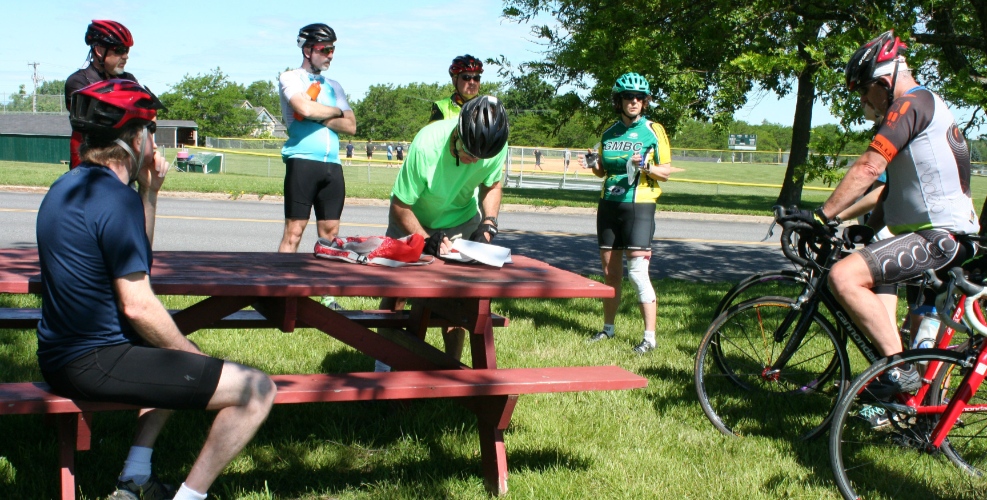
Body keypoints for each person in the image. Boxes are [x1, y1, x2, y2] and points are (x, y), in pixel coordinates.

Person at [39, 79, 276, 500]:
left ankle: (136, 476)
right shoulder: (114, 199)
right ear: (136, 138)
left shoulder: (68, 187)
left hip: (60, 354)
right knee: (257, 389)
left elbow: (134, 260)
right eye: (151, 131)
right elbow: (138, 307)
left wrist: (149, 193)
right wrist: (193, 356)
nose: (153, 140)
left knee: (166, 351)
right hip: (93, 360)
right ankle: (190, 497)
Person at [785, 31, 979, 399]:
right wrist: (869, 228)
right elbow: (894, 187)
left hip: (939, 237)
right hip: (938, 234)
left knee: (842, 277)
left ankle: (898, 371)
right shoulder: (922, 105)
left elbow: (869, 169)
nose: (863, 101)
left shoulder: (910, 104)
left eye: (863, 91)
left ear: (883, 81)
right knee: (881, 292)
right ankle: (902, 392)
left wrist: (823, 217)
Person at [375, 96, 510, 372]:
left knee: (458, 298)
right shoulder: (427, 144)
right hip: (412, 217)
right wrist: (425, 239)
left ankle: (450, 370)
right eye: (468, 152)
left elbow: (492, 185)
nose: (473, 161)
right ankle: (383, 364)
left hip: (460, 217)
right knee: (397, 292)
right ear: (457, 132)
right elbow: (400, 206)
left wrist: (489, 223)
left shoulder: (495, 147)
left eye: (480, 157)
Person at [581, 72, 672, 354]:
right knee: (610, 273)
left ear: (645, 102)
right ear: (618, 101)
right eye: (628, 97)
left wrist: (645, 167)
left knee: (637, 273)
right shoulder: (608, 133)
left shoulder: (654, 130)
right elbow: (603, 173)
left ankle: (649, 338)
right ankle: (608, 330)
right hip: (608, 204)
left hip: (639, 206)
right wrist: (593, 163)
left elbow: (666, 173)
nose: (633, 102)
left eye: (639, 98)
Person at [65, 20, 139, 169]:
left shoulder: (129, 80)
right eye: (119, 50)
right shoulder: (78, 82)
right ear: (99, 50)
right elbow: (96, 124)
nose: (125, 56)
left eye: (127, 50)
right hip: (87, 165)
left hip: (122, 165)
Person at [429, 55, 483, 122]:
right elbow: (433, 132)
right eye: (466, 78)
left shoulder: (487, 107)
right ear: (454, 81)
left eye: (476, 78)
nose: (472, 82)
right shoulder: (441, 107)